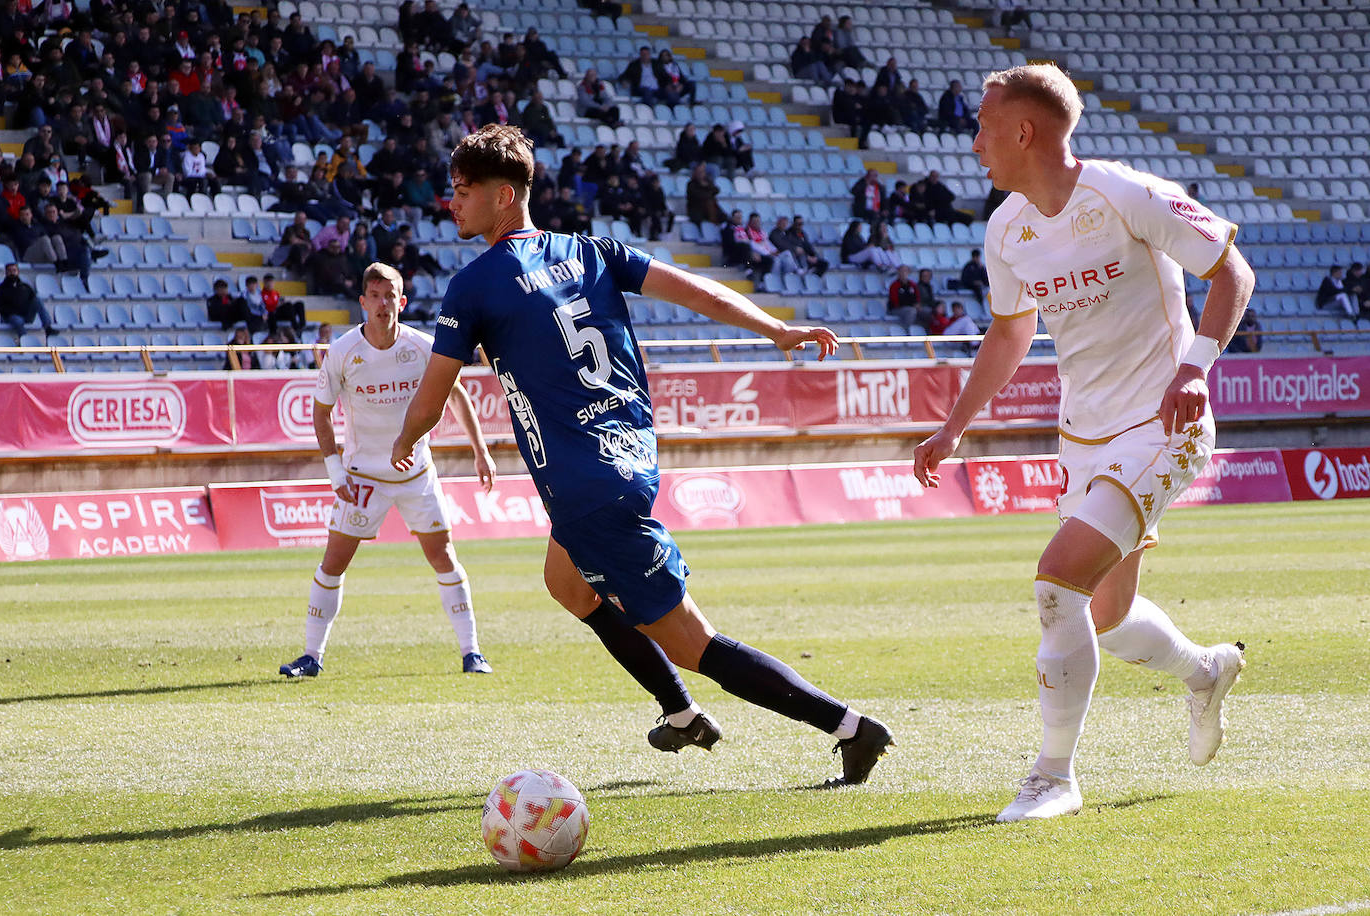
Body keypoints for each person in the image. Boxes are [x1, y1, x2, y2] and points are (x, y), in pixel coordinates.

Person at [393, 125, 893, 780]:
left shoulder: (474, 285)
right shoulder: (592, 250)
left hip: (584, 490)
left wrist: (403, 438)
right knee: (565, 583)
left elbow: (432, 399)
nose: (450, 202)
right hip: (626, 458)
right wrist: (774, 328)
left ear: (505, 196)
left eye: (463, 191)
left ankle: (851, 728)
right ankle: (681, 715)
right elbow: (694, 289)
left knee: (693, 643)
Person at [913, 64, 1255, 822]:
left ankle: (1053, 777)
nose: (974, 143)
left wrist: (1195, 370)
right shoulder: (1006, 228)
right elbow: (1010, 330)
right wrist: (954, 424)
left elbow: (1232, 272)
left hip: (1166, 421)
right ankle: (1205, 671)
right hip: (1085, 435)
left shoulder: (1125, 194)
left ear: (1024, 132)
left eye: (983, 127)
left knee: (1055, 580)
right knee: (1102, 614)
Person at [280, 262, 496, 680]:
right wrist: (336, 473)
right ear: (363, 302)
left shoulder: (422, 347)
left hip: (416, 474)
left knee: (443, 556)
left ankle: (472, 653)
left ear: (402, 300)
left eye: (390, 295)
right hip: (363, 478)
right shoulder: (343, 351)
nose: (382, 304)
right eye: (374, 296)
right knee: (333, 563)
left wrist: (480, 451)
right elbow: (320, 414)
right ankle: (311, 655)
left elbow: (457, 395)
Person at [0, 262, 57, 338]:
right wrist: (11, 312)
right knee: (17, 320)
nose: (12, 273)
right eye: (9, 271)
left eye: (14, 270)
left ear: (18, 272)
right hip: (11, 317)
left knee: (37, 300)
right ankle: (24, 339)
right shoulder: (1, 289)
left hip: (26, 315)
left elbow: (33, 299)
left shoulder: (25, 286)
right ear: (6, 273)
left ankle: (48, 327)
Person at [887, 264, 921, 332]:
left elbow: (917, 297)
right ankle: (906, 331)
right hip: (896, 309)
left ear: (909, 272)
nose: (903, 273)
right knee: (911, 311)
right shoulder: (894, 285)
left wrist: (917, 304)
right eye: (901, 271)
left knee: (927, 312)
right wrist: (912, 304)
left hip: (910, 307)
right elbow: (896, 301)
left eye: (905, 271)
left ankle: (928, 334)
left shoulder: (912, 285)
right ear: (898, 272)